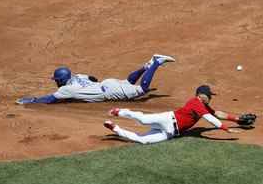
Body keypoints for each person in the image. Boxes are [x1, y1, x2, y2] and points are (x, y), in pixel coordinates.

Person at [103, 85, 255, 144]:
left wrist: (237, 118)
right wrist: (226, 129)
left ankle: (115, 129)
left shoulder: (204, 105)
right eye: (210, 95)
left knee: (143, 141)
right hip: (168, 119)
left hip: (171, 132)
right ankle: (120, 111)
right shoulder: (196, 102)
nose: (211, 97)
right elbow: (210, 119)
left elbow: (217, 114)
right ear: (202, 95)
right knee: (143, 119)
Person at [16, 54, 176, 104]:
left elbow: (50, 99)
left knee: (141, 90)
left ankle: (156, 63)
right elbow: (93, 77)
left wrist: (33, 100)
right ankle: (145, 67)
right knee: (128, 82)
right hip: (106, 83)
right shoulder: (77, 76)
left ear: (61, 80)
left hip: (109, 90)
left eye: (56, 79)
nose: (56, 81)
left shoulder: (66, 89)